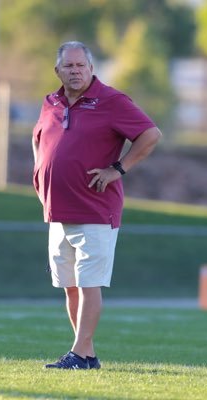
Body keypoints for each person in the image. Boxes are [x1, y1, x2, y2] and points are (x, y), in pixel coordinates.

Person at [32, 41, 162, 370]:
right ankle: (85, 355)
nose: (75, 71)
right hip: (57, 213)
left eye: (80, 66)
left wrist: (117, 169)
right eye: (68, 66)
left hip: (95, 211)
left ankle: (79, 353)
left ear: (91, 68)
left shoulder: (112, 101)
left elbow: (150, 135)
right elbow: (39, 141)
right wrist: (40, 177)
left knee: (89, 284)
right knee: (69, 286)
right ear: (57, 70)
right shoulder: (51, 102)